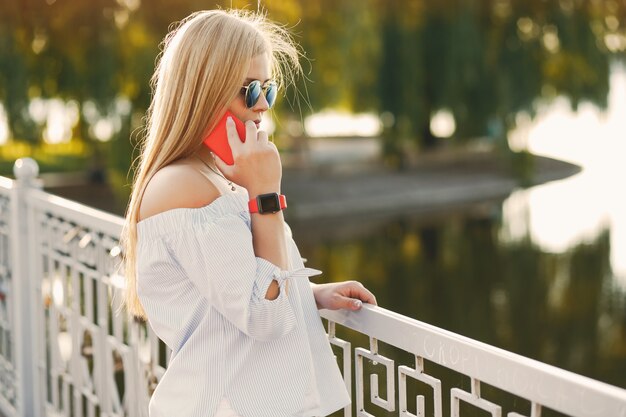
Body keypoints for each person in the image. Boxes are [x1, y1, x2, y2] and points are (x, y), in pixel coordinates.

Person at [120, 9, 377, 417]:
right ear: (202, 90)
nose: (262, 107)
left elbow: (228, 293)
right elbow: (263, 316)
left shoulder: (213, 178)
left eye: (268, 90)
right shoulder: (184, 187)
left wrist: (309, 297)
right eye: (248, 90)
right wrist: (266, 193)